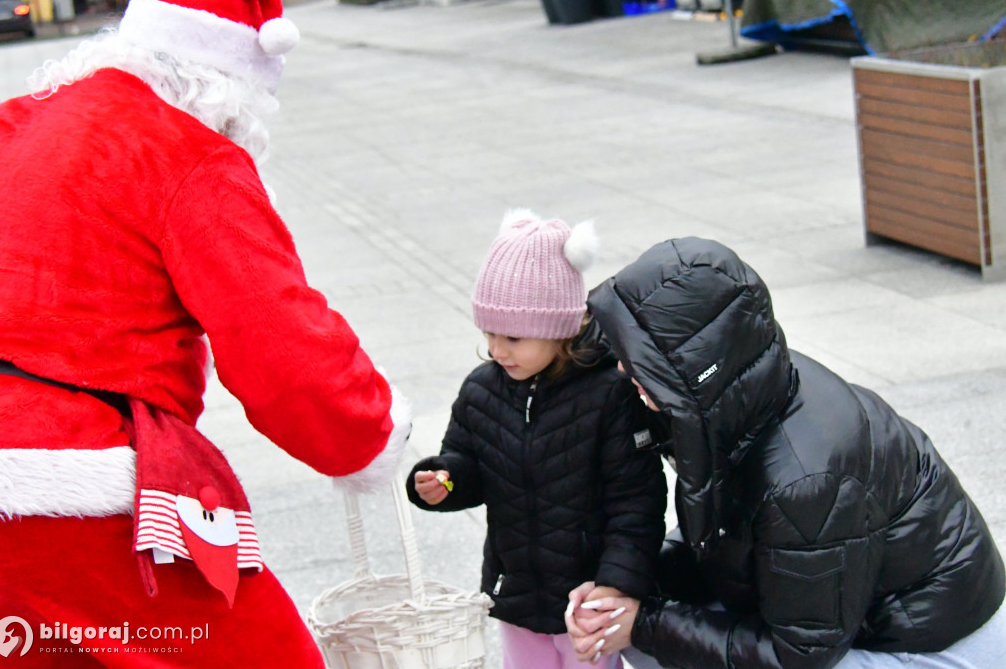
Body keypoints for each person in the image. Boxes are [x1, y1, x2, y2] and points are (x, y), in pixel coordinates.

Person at [0, 0, 411, 666]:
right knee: (265, 652)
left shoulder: (2, 128)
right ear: (230, 90)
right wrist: (368, 432)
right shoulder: (187, 151)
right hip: (75, 485)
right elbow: (283, 351)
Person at [566, 236, 1006, 669]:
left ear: (696, 370)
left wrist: (645, 624)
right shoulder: (733, 398)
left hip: (932, 645)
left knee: (647, 637)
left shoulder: (805, 479)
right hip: (843, 615)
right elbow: (723, 545)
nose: (623, 369)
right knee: (632, 629)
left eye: (641, 360)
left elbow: (799, 655)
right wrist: (625, 583)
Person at [405, 210, 668, 669]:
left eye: (512, 336)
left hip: (585, 598)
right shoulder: (482, 391)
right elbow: (465, 462)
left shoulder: (609, 394)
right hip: (519, 592)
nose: (497, 349)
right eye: (488, 332)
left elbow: (637, 501)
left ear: (559, 329)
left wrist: (615, 583)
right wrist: (442, 480)